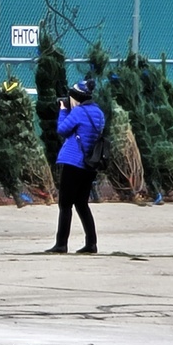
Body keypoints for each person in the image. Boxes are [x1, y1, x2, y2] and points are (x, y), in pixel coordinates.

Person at [47, 79, 105, 254]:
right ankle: (91, 243)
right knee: (81, 203)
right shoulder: (99, 113)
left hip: (73, 162)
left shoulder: (78, 112)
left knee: (65, 204)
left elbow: (62, 130)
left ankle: (61, 244)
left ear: (76, 97)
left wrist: (64, 111)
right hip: (89, 164)